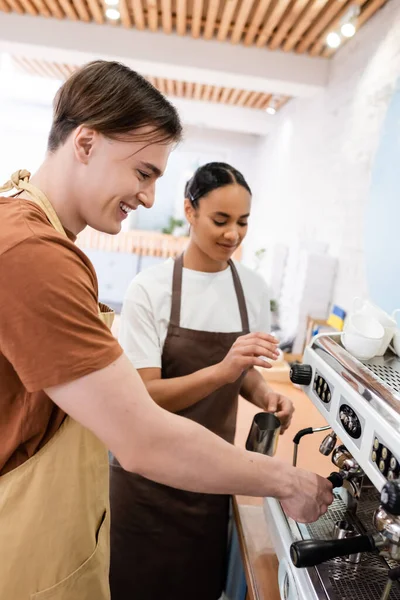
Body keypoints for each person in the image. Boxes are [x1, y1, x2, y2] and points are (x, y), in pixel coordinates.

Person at [0, 60, 333, 600]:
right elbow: (142, 437)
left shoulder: (39, 235)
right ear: (85, 143)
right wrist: (287, 480)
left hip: (68, 532)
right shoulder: (33, 253)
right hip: (28, 557)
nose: (148, 198)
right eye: (143, 172)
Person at [110, 162, 297, 598]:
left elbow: (243, 370)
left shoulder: (250, 288)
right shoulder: (149, 290)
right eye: (220, 220)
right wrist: (223, 371)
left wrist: (266, 394)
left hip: (211, 481)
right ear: (189, 211)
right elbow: (145, 397)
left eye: (243, 222)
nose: (233, 234)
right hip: (146, 485)